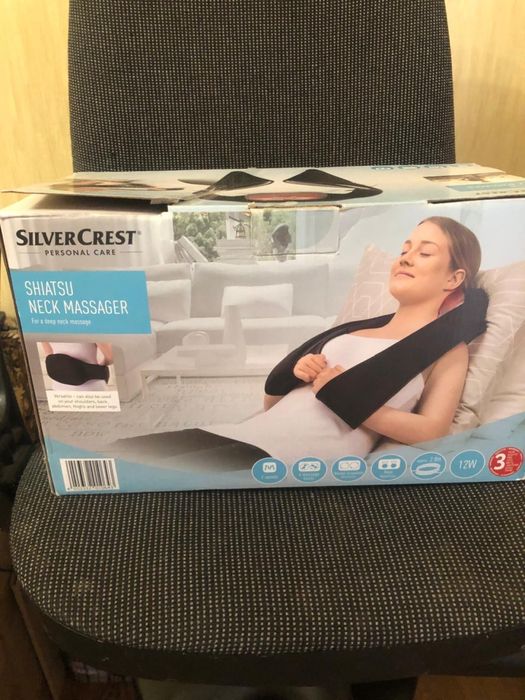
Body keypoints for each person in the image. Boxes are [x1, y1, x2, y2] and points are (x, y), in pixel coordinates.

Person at [107, 216, 486, 470]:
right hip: (247, 432)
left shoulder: (446, 349)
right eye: (404, 250)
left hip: (300, 455)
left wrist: (346, 397)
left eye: (424, 253)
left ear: (453, 279)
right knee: (121, 457)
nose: (405, 258)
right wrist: (297, 373)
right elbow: (272, 404)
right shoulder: (355, 328)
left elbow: (433, 431)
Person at [41, 341, 113, 391]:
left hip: (59, 386)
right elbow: (111, 357)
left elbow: (49, 353)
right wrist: (100, 368)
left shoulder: (45, 325)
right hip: (90, 387)